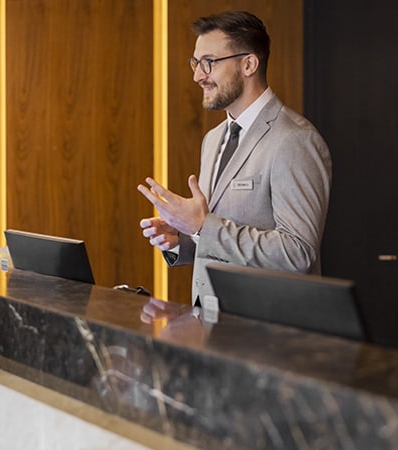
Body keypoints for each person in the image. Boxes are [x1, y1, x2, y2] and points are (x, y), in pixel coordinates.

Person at [138, 11, 331, 305]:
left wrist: (202, 226)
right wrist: (185, 239)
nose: (197, 76)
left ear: (249, 64)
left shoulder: (295, 140)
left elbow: (297, 253)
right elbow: (220, 235)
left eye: (209, 63)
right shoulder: (213, 139)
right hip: (212, 322)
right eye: (195, 63)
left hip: (267, 335)